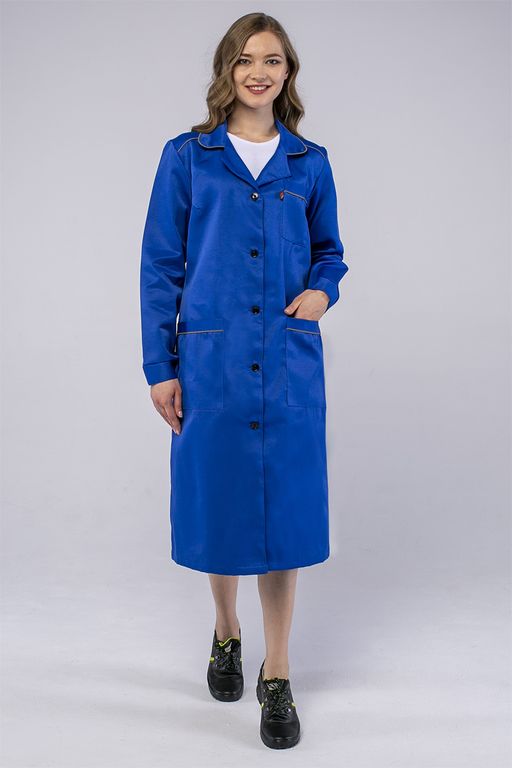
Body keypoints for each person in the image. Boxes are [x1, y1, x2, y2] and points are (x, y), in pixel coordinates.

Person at [139, 12, 349, 750]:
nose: (259, 72)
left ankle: (278, 671)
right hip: (212, 367)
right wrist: (160, 368)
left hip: (288, 366)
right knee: (223, 506)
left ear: (288, 73)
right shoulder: (187, 157)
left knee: (283, 519)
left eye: (273, 60)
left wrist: (323, 290)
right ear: (227, 69)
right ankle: (226, 630)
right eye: (246, 59)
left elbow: (330, 251)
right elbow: (160, 266)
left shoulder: (309, 162)